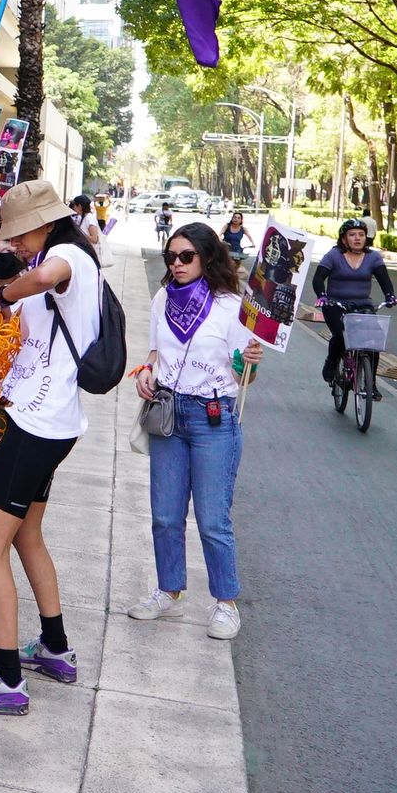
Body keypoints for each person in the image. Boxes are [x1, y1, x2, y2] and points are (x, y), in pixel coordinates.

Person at [0, 180, 99, 716]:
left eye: (18, 238)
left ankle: (7, 678)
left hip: (36, 425)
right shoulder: (64, 253)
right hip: (46, 421)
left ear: (42, 223)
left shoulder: (65, 253)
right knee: (27, 535)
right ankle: (55, 648)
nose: (16, 248)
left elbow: (50, 274)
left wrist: (7, 294)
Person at [130, 224, 264, 640]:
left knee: (212, 520)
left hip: (214, 419)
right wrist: (147, 372)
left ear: (207, 257)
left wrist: (251, 361)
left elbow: (246, 376)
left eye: (185, 256)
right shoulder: (161, 299)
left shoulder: (232, 306)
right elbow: (154, 353)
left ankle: (226, 603)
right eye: (171, 256)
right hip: (169, 413)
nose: (176, 264)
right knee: (165, 515)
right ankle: (169, 591)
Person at [312, 219, 397, 390]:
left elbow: (384, 279)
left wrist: (390, 296)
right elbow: (318, 278)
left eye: (361, 235)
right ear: (344, 239)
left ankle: (371, 384)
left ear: (367, 237)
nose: (357, 238)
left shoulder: (373, 257)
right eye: (352, 235)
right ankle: (332, 362)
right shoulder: (334, 255)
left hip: (363, 304)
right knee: (341, 336)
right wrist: (322, 296)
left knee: (373, 342)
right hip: (335, 304)